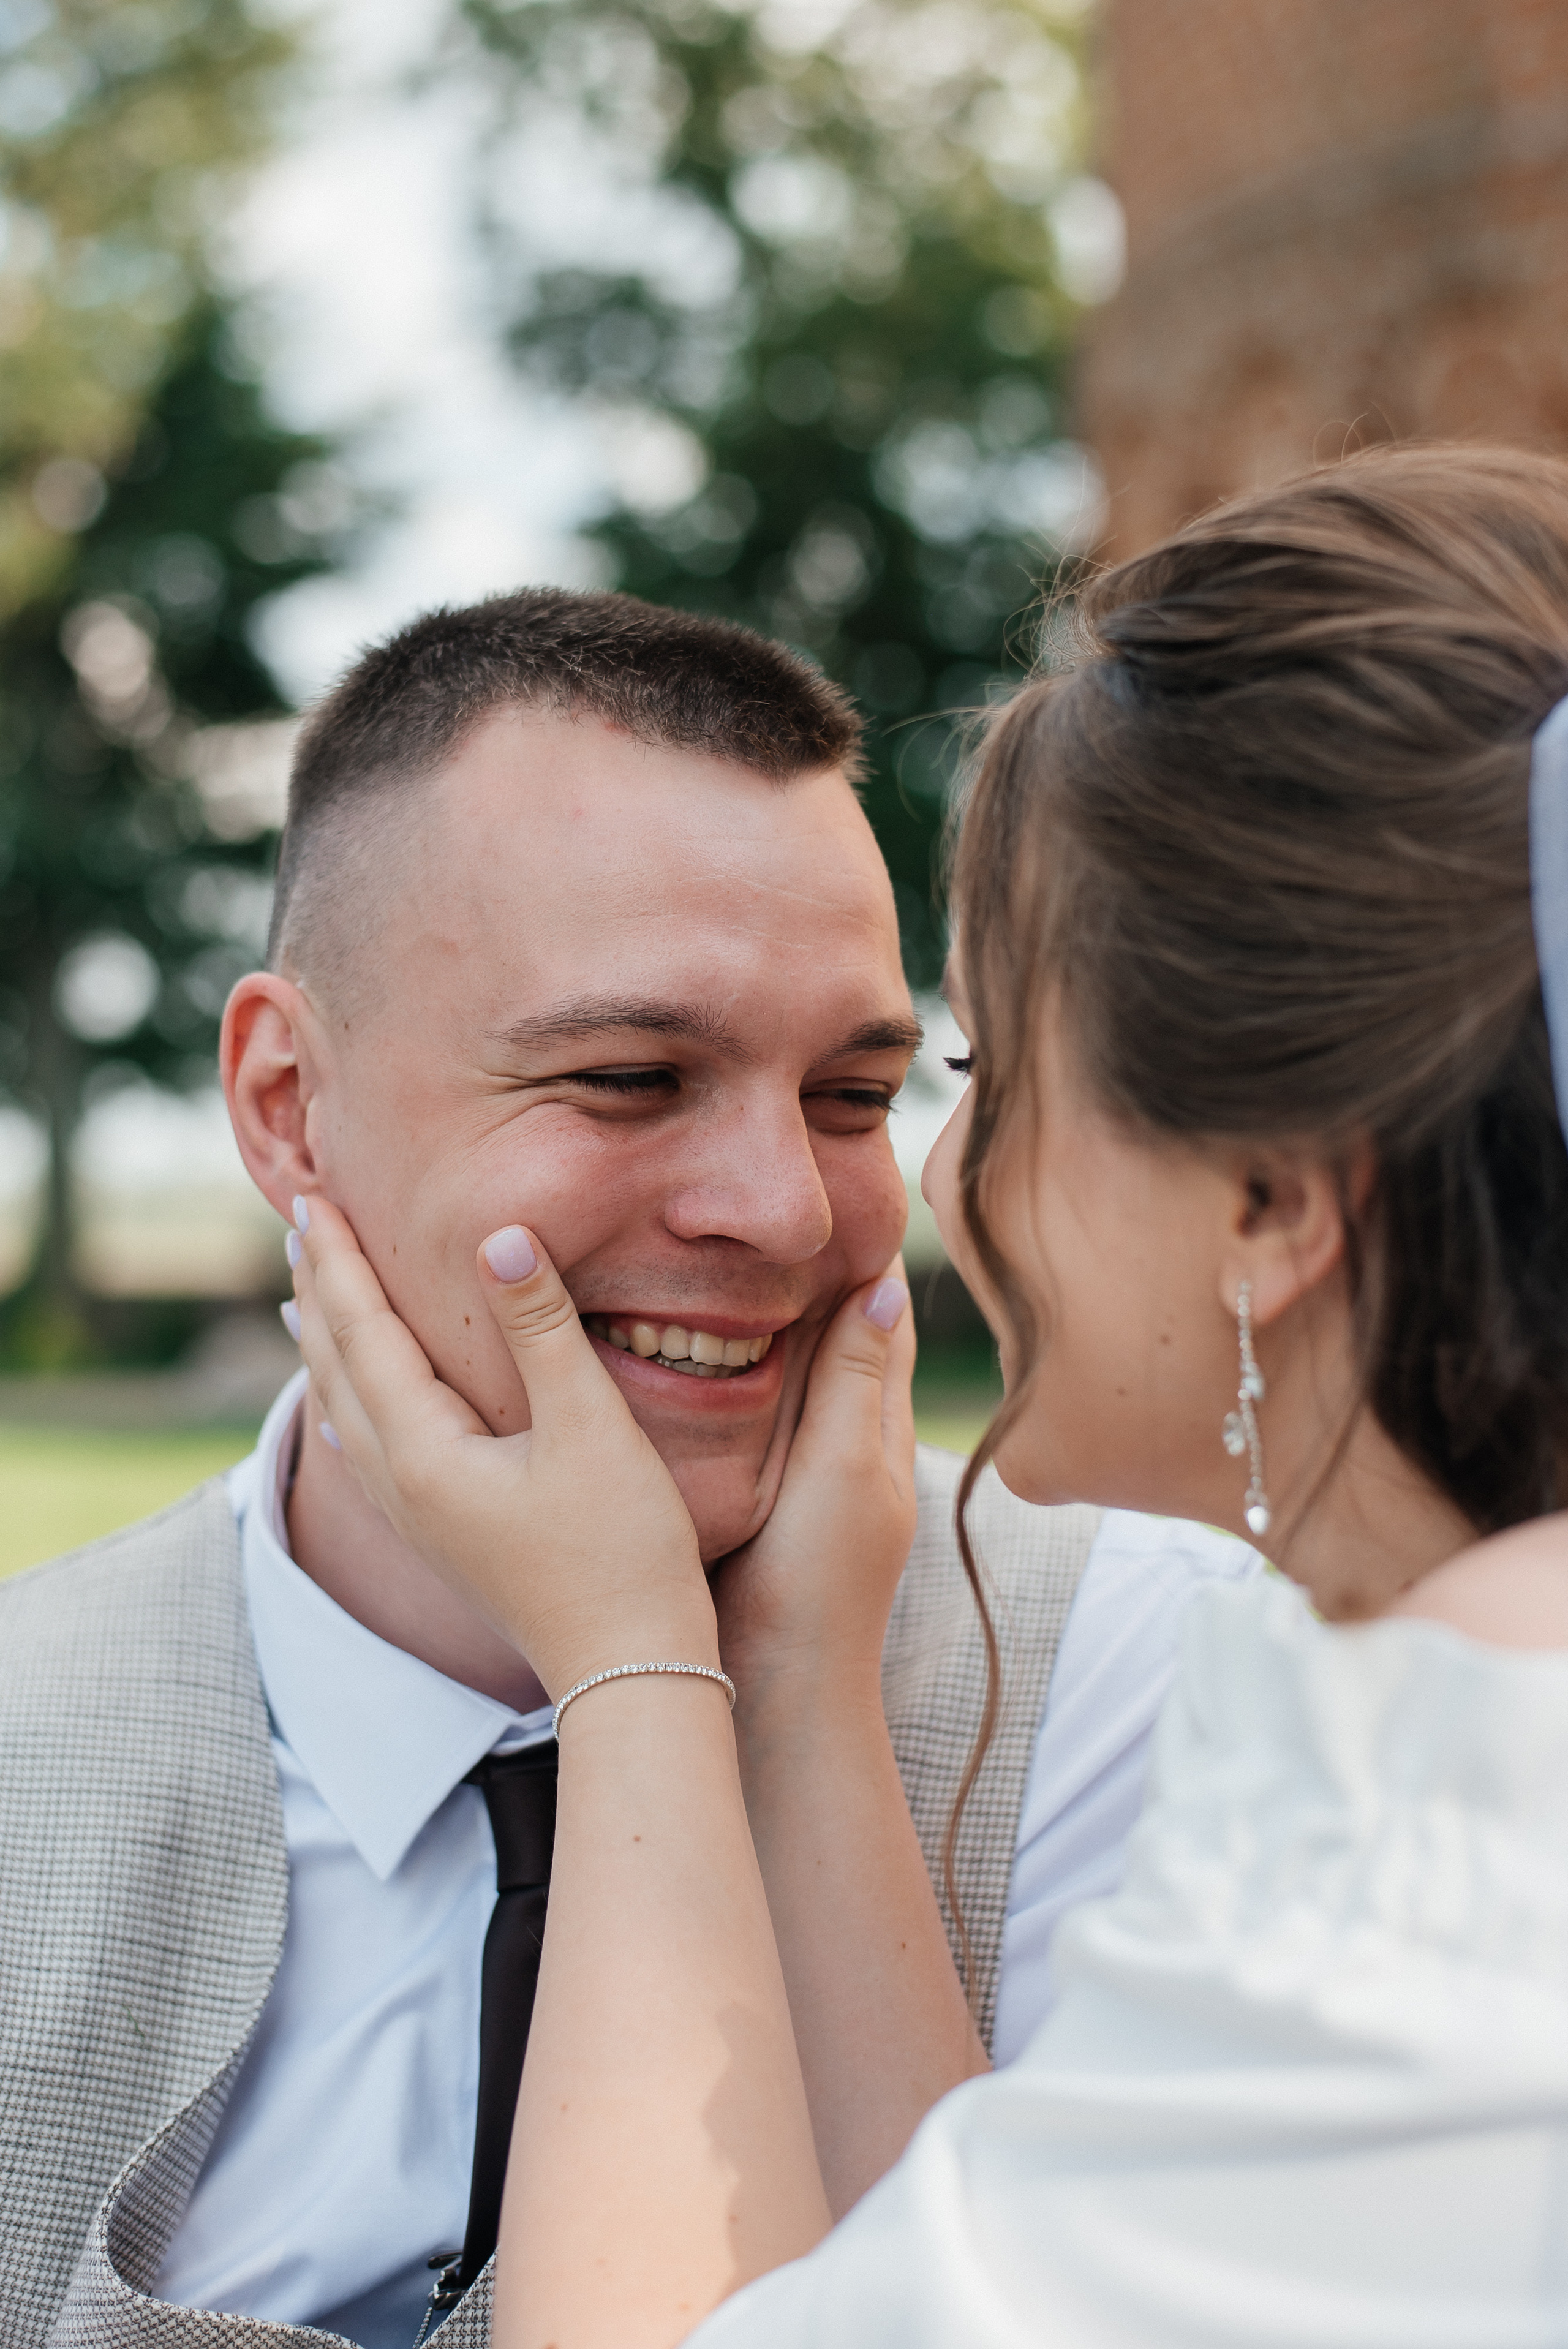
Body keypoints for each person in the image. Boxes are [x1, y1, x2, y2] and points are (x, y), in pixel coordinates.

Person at [291, 443, 1568, 2348]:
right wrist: (798, 1674)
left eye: (937, 1075)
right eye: (634, 1076)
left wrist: (636, 1664)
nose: (857, 1206)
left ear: (1274, 1201)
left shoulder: (1460, 1792)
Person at [0, 591, 1254, 2349]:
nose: (784, 1208)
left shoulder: (1151, 1685)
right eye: (630, 1075)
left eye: (848, 1090)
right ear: (288, 1103)